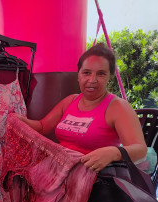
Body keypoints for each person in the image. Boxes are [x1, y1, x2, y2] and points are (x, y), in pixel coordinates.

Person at [17, 43, 147, 171]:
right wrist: (18, 121)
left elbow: (140, 150)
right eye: (86, 73)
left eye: (101, 73)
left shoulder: (118, 107)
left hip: (96, 179)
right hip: (61, 170)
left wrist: (114, 152)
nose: (92, 80)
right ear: (78, 75)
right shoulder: (70, 101)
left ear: (109, 77)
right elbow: (42, 126)